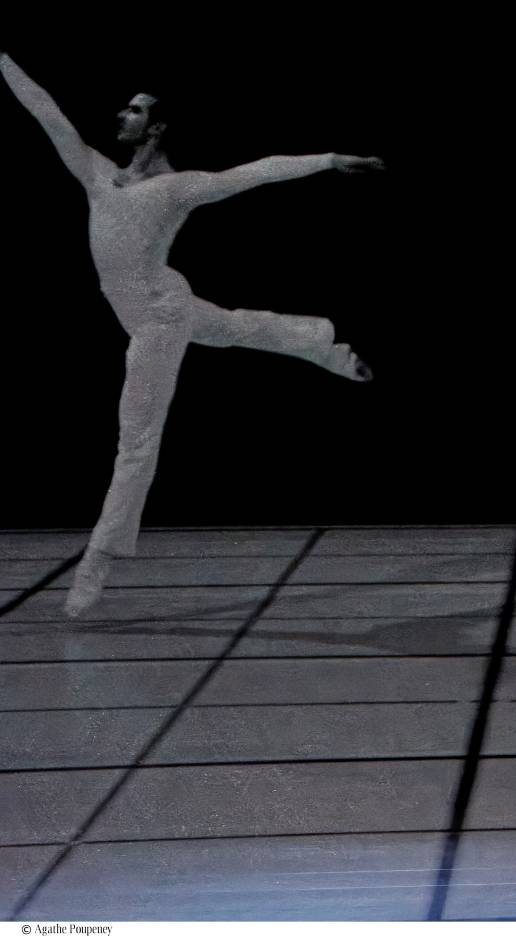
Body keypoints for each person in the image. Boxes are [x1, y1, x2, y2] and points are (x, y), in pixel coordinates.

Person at [0, 52, 385, 617]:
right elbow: (44, 108)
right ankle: (323, 346)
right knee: (231, 327)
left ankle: (96, 562)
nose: (121, 115)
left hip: (158, 316)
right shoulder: (94, 171)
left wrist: (327, 159)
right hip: (159, 303)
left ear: (155, 128)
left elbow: (255, 171)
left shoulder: (179, 188)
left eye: (135, 110)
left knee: (137, 441)